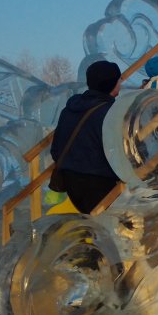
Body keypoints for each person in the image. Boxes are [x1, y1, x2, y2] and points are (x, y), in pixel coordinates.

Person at [50, 60, 122, 214]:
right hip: (101, 185)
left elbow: (55, 149)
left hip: (72, 184)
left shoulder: (70, 108)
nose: (120, 83)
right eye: (119, 79)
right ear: (111, 83)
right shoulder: (111, 113)